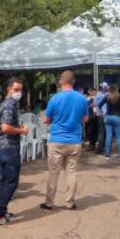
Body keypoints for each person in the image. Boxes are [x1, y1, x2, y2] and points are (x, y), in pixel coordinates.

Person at [40, 70, 88, 211]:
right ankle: (70, 202)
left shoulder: (55, 98)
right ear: (73, 82)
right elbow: (86, 119)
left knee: (54, 172)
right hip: (74, 141)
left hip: (57, 140)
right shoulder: (82, 98)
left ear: (61, 81)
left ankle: (49, 203)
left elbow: (46, 120)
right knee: (71, 172)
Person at [0, 77, 27, 225]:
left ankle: (2, 211)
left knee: (4, 180)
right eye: (16, 89)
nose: (19, 92)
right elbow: (5, 127)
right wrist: (21, 130)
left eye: (20, 90)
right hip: (8, 148)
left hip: (2, 148)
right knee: (11, 181)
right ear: (9, 90)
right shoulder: (9, 105)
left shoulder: (9, 104)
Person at [102, 85, 120, 161]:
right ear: (116, 90)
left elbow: (99, 104)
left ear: (109, 89)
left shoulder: (107, 97)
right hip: (116, 117)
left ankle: (107, 154)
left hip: (108, 117)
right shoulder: (119, 97)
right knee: (119, 137)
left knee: (108, 136)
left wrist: (102, 113)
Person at [93, 82, 109, 154]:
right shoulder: (109, 95)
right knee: (107, 132)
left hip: (101, 115)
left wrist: (96, 112)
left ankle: (99, 149)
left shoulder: (98, 94)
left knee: (101, 132)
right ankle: (107, 148)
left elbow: (95, 104)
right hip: (108, 115)